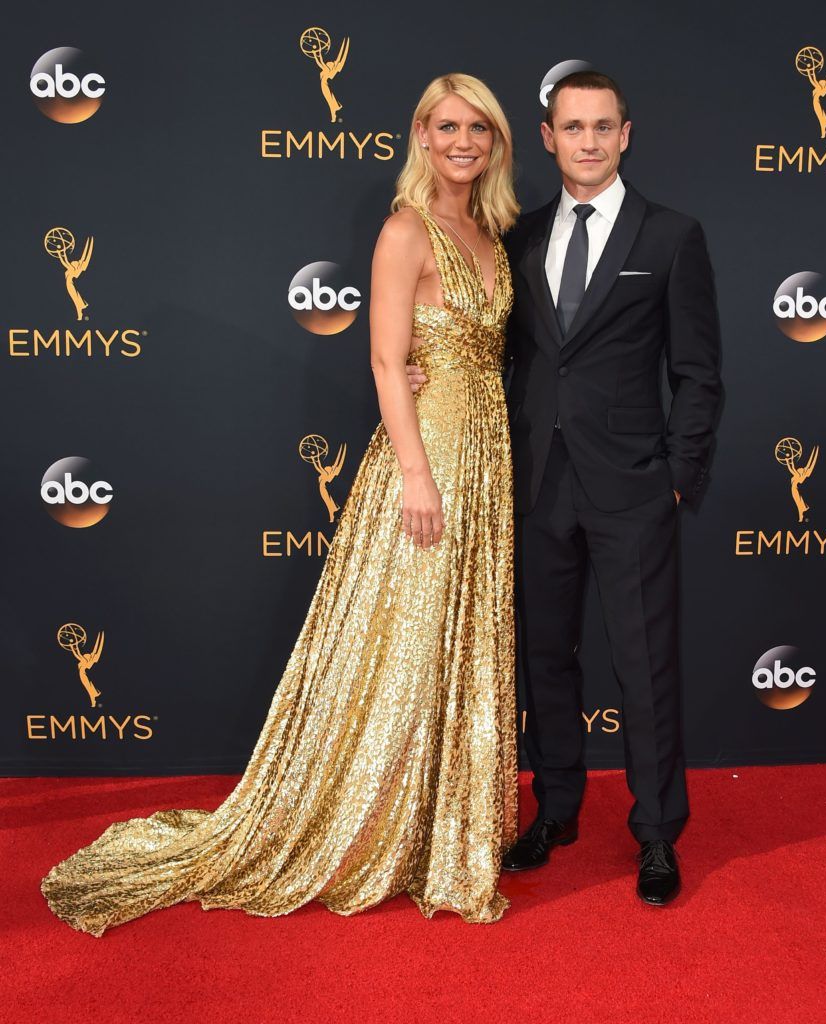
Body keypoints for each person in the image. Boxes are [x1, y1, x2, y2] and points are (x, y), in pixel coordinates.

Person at [40, 72, 520, 936]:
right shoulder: (404, 232)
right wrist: (415, 471)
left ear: (497, 143)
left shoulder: (488, 229)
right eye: (447, 127)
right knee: (404, 643)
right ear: (420, 134)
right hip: (431, 464)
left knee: (458, 640)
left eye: (478, 129)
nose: (463, 143)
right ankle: (368, 827)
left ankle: (437, 834)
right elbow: (385, 362)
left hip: (489, 458)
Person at [408, 70, 723, 905]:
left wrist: (679, 480)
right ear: (546, 138)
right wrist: (417, 371)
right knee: (544, 657)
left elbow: (698, 373)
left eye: (603, 126)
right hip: (534, 484)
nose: (587, 140)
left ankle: (657, 834)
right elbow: (482, 344)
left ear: (626, 135)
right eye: (571, 127)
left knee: (643, 665)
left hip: (633, 490)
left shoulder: (670, 237)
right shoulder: (515, 235)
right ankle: (555, 809)